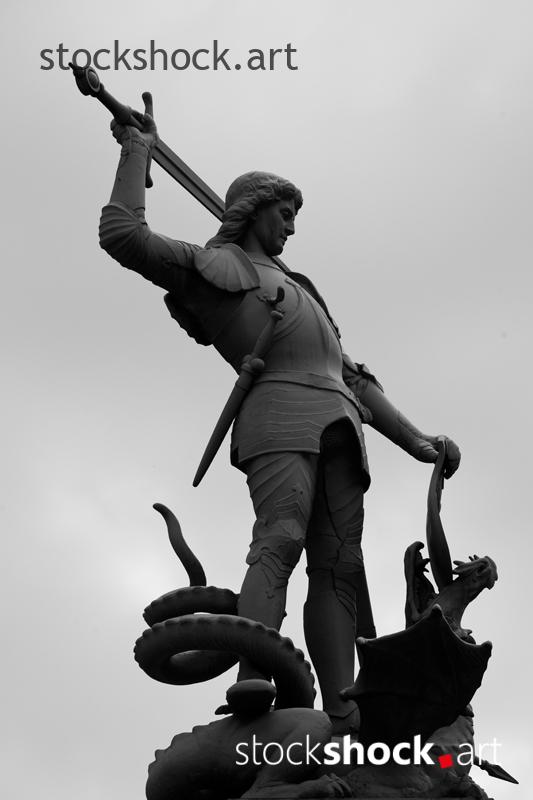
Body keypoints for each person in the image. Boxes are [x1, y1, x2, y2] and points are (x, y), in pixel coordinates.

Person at [98, 99, 460, 734]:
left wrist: (417, 440)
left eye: (295, 216)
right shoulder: (219, 270)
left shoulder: (304, 290)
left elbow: (351, 377)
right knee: (282, 536)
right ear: (252, 211)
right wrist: (136, 151)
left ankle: (343, 705)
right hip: (280, 415)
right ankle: (255, 671)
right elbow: (123, 235)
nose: (291, 226)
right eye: (283, 213)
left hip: (342, 424)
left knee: (343, 564)